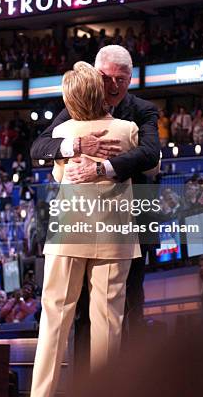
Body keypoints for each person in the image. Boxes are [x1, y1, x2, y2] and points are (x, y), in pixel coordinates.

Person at [23, 61, 142, 397]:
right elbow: (151, 167)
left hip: (68, 233)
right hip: (113, 234)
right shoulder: (128, 130)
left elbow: (58, 171)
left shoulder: (63, 137)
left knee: (55, 315)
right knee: (108, 320)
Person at [30, 45, 160, 340]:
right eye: (106, 77)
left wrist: (103, 168)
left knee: (130, 308)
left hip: (131, 224)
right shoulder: (74, 111)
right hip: (81, 226)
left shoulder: (143, 110)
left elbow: (150, 154)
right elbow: (38, 148)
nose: (113, 85)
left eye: (121, 78)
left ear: (131, 79)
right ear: (93, 75)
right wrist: (76, 146)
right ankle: (85, 385)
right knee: (84, 314)